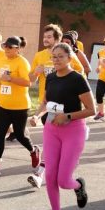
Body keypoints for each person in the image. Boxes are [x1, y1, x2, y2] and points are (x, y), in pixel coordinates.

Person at [36, 42, 95, 210]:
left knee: (63, 180)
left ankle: (78, 186)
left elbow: (91, 110)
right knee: (50, 176)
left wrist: (68, 116)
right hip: (51, 129)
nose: (56, 60)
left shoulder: (77, 79)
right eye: (54, 57)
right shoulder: (51, 77)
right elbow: (46, 101)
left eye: (61, 56)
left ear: (70, 58)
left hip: (73, 130)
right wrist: (37, 115)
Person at [28, 24, 84, 188]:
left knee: (65, 143)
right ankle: (40, 173)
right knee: (49, 142)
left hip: (69, 107)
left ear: (58, 39)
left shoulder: (68, 54)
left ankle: (67, 165)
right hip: (49, 106)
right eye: (44, 37)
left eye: (49, 37)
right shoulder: (39, 55)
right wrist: (36, 72)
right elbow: (31, 79)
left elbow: (81, 73)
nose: (45, 40)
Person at [0, 36, 38, 177]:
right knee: (0, 134)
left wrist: (11, 79)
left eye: (9, 47)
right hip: (3, 104)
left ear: (17, 49)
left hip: (19, 106)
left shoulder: (22, 62)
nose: (6, 49)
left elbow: (28, 83)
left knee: (20, 135)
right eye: (5, 46)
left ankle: (33, 150)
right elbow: (0, 78)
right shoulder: (2, 60)